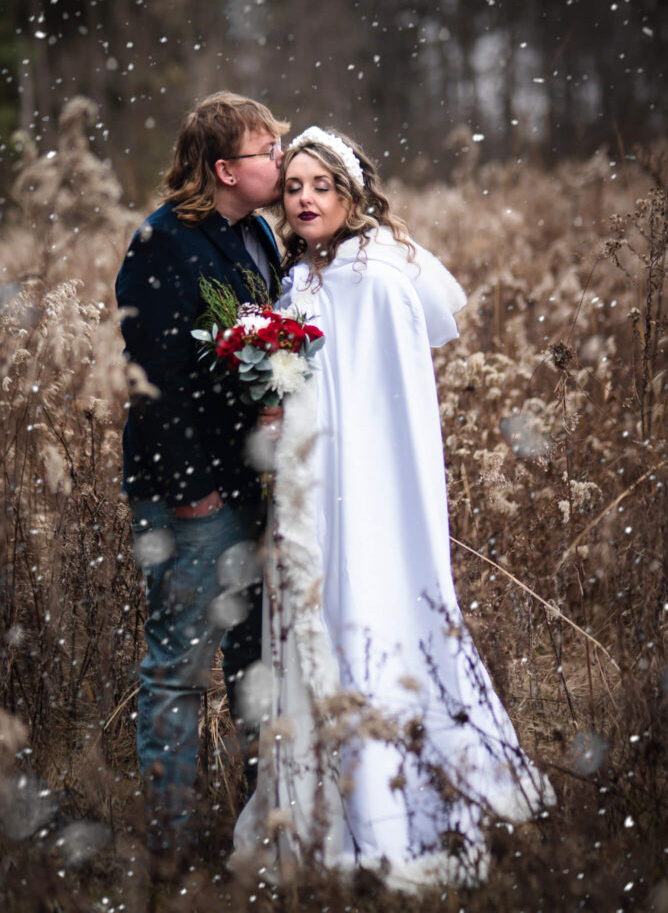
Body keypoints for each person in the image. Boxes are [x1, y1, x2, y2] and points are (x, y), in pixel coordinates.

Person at [232, 127, 555, 891]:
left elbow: (389, 412)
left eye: (322, 186)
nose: (306, 198)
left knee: (367, 621)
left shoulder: (374, 275)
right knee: (327, 628)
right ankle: (322, 814)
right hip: (316, 488)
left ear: (351, 194)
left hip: (365, 493)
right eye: (296, 186)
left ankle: (387, 819)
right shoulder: (307, 272)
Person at [115, 91, 289, 875]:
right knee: (180, 667)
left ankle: (256, 826)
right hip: (193, 496)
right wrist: (192, 493)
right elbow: (152, 378)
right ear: (226, 168)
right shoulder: (162, 243)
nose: (281, 163)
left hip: (253, 487)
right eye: (268, 152)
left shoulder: (257, 234)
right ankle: (170, 843)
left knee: (258, 663)